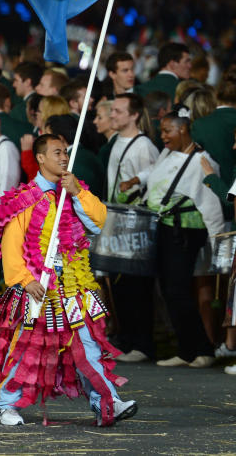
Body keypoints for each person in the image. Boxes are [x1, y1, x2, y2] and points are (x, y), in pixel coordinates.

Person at [0, 134, 135, 427]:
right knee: (27, 348)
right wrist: (25, 280)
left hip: (73, 289)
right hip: (38, 291)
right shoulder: (25, 198)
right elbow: (12, 247)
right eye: (56, 152)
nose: (63, 157)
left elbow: (97, 222)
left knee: (87, 345)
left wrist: (78, 192)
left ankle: (107, 401)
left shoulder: (74, 191)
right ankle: (5, 404)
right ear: (40, 158)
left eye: (65, 152)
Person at [130, 113, 224, 368]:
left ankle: (203, 349)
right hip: (164, 228)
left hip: (184, 232)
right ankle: (186, 349)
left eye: (168, 131)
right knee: (169, 290)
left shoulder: (202, 161)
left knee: (178, 290)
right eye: (161, 131)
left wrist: (218, 244)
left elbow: (212, 205)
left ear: (183, 130)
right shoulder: (168, 154)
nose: (163, 136)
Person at [105, 93, 161, 363]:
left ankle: (142, 343)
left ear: (134, 115)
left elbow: (154, 183)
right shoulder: (117, 141)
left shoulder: (144, 146)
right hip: (118, 224)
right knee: (121, 286)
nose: (112, 115)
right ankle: (127, 340)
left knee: (136, 286)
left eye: (117, 111)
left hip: (135, 227)